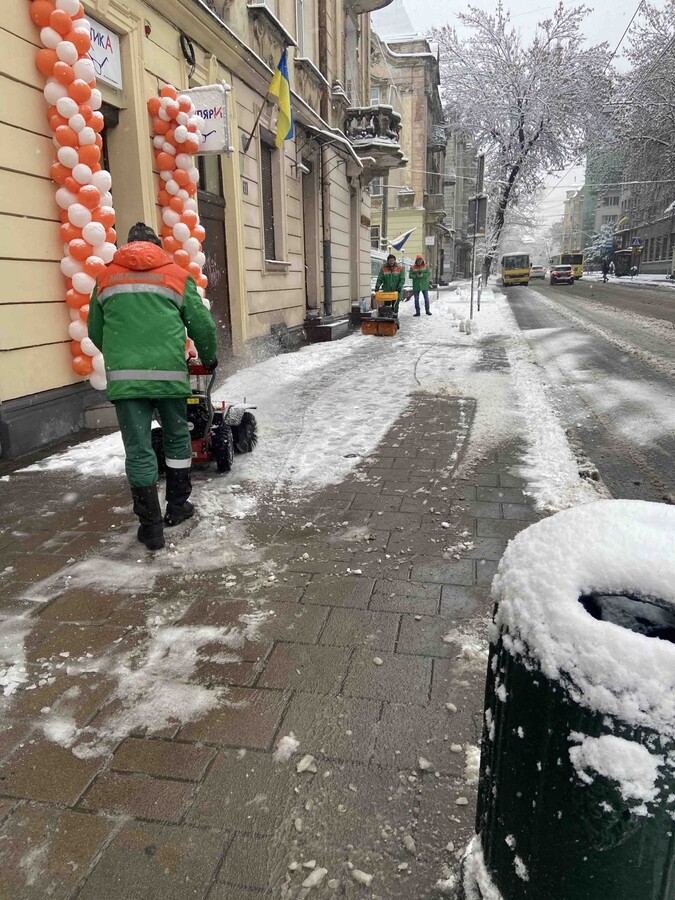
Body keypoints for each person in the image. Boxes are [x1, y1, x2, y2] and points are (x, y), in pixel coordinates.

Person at [88, 222, 217, 551]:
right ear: (158, 247)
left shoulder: (106, 277)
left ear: (126, 246)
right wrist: (209, 357)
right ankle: (177, 507)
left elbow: (95, 331)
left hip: (126, 383)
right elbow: (201, 324)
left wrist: (123, 356)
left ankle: (151, 527)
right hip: (169, 377)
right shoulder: (174, 274)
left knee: (139, 449)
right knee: (177, 439)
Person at [375, 253, 406, 317]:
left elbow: (402, 279)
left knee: (395, 307)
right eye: (390, 260)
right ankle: (388, 320)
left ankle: (395, 320)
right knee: (387, 307)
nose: (391, 262)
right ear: (388, 261)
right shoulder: (384, 268)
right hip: (387, 291)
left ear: (395, 260)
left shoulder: (399, 268)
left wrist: (400, 287)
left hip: (396, 291)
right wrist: (377, 286)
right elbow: (380, 278)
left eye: (392, 260)